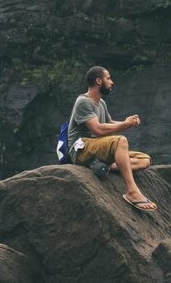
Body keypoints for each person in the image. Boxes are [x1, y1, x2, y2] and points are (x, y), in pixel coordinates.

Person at [67, 66, 157, 211]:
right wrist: (125, 125)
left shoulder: (101, 103)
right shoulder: (83, 102)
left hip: (97, 148)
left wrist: (127, 123)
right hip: (81, 149)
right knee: (120, 141)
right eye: (108, 78)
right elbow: (97, 129)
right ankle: (132, 192)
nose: (112, 82)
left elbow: (109, 123)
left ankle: (104, 165)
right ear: (98, 81)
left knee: (145, 160)